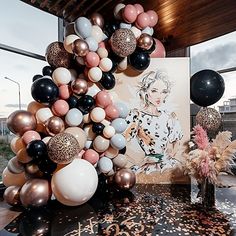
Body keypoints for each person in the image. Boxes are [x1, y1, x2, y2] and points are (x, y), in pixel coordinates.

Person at [125, 70, 183, 174]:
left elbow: (176, 141)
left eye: (164, 92)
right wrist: (142, 160)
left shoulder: (169, 117)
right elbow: (123, 143)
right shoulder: (137, 116)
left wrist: (170, 154)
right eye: (154, 91)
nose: (159, 96)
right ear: (146, 91)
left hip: (167, 165)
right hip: (146, 166)